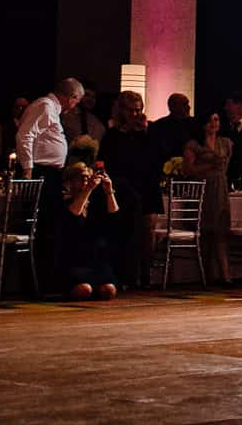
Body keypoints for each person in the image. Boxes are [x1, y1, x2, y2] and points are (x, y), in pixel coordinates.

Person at [16, 77, 84, 294]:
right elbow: (25, 135)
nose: (74, 107)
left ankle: (47, 280)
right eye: (76, 102)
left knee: (50, 227)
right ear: (71, 97)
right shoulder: (45, 106)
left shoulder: (51, 108)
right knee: (44, 227)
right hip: (40, 172)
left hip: (50, 174)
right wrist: (28, 169)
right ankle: (39, 282)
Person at [100, 90, 161, 288]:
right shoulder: (112, 135)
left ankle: (146, 275)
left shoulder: (148, 132)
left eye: (139, 110)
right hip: (125, 188)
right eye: (131, 110)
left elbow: (159, 156)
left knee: (148, 231)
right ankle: (127, 275)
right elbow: (107, 161)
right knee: (127, 232)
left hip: (147, 186)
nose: (136, 114)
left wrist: (145, 132)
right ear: (122, 111)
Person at [184, 111, 234, 285]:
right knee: (206, 233)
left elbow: (226, 167)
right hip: (203, 190)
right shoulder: (194, 144)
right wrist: (209, 165)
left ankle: (225, 275)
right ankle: (208, 275)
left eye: (217, 119)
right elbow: (188, 170)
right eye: (210, 119)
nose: (214, 123)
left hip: (220, 189)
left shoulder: (226, 143)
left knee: (221, 231)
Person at [58, 162, 121, 300]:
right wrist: (89, 189)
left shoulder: (94, 203)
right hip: (74, 261)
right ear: (69, 183)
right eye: (81, 178)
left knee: (109, 290)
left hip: (95, 260)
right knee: (83, 290)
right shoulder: (64, 203)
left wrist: (109, 190)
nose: (85, 181)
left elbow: (114, 216)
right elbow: (74, 215)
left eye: (87, 177)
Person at [150, 93, 196, 165]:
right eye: (185, 104)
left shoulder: (195, 124)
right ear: (173, 107)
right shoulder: (159, 126)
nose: (189, 107)